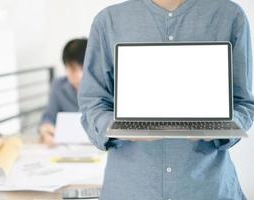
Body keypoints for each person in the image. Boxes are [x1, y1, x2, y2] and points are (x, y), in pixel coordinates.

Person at [78, 0, 254, 199]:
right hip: (130, 189)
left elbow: (244, 103)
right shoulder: (108, 21)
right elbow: (92, 102)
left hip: (207, 188)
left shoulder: (230, 15)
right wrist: (120, 126)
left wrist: (221, 127)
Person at [40, 38, 87, 147]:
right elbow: (48, 117)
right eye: (73, 69)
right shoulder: (58, 86)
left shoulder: (106, 87)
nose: (79, 75)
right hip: (67, 148)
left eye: (83, 68)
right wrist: (45, 130)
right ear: (66, 67)